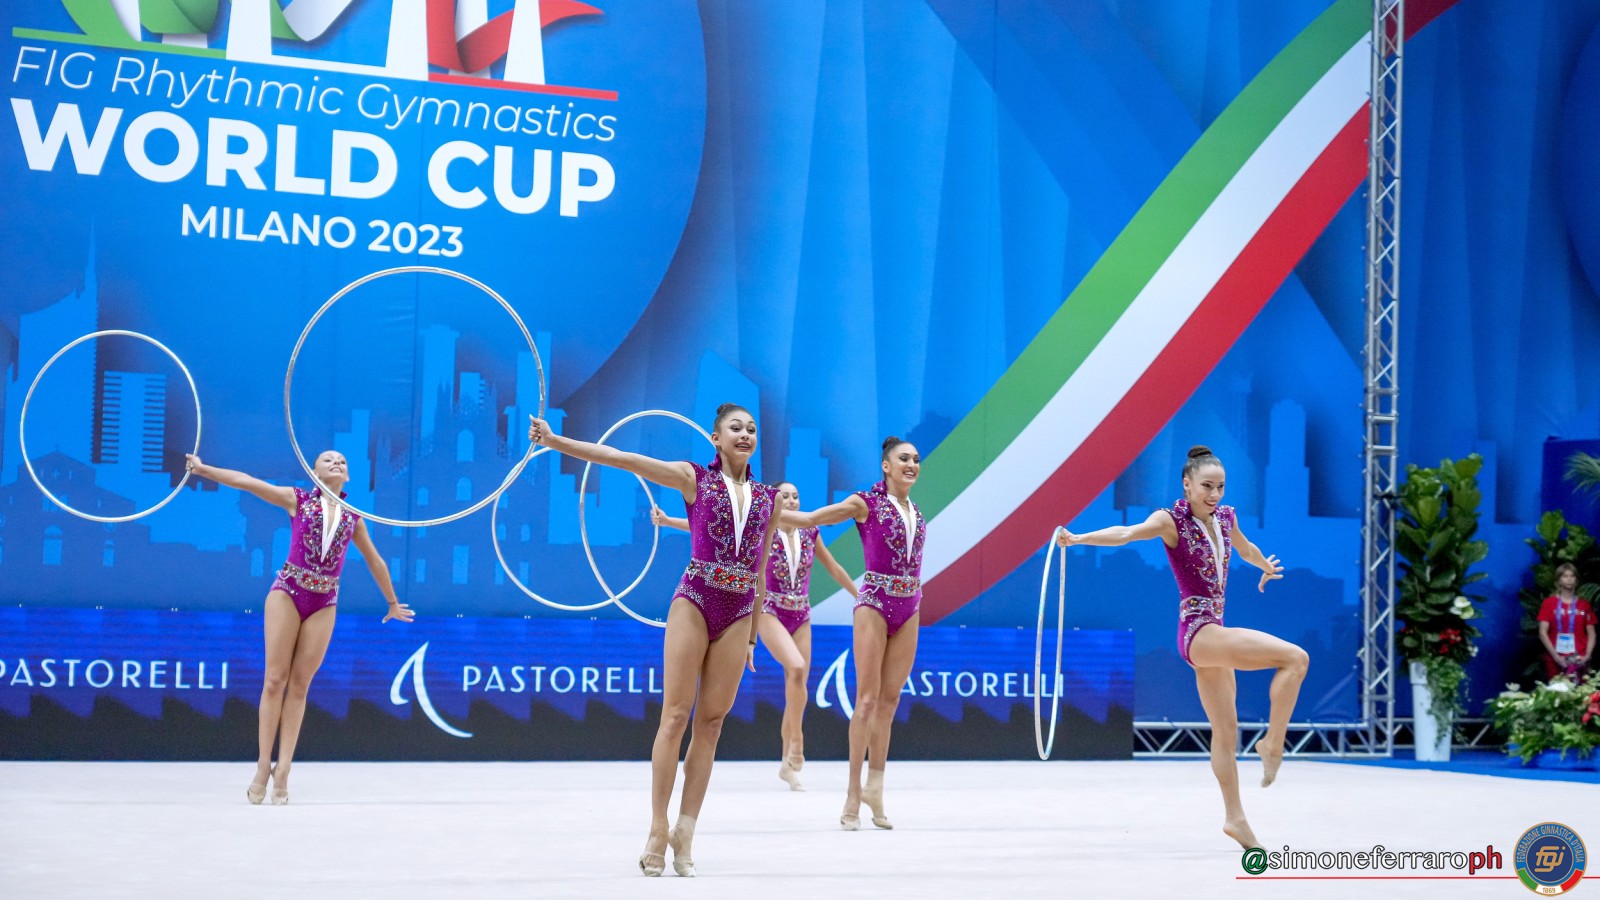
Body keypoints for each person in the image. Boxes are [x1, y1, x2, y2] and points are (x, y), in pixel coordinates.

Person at [527, 404, 778, 878]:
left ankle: (686, 830)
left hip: (740, 611)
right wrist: (557, 441)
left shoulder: (769, 498)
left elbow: (761, 569)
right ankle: (658, 827)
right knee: (676, 716)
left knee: (712, 724)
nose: (745, 434)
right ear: (715, 438)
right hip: (696, 600)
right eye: (735, 428)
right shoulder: (693, 478)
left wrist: (750, 639)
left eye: (751, 429)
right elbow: (623, 459)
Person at [1055, 445, 1303, 850]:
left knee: (1226, 731)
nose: (1214, 494)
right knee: (1295, 658)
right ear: (1187, 484)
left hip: (1214, 632)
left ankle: (1235, 818)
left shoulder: (1226, 517)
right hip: (1198, 631)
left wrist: (1264, 567)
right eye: (1206, 486)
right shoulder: (1170, 520)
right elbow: (1126, 533)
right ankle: (1273, 744)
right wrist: (1079, 538)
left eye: (1220, 487)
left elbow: (1244, 548)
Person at [184, 450, 412, 805]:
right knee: (275, 680)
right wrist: (203, 470)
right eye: (328, 459)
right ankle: (263, 764)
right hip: (288, 592)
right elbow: (247, 482)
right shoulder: (298, 499)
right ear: (313, 471)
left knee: (300, 685)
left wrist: (392, 602)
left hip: (324, 601)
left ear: (349, 476)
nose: (336, 462)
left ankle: (284, 768)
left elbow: (375, 560)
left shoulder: (354, 518)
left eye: (342, 461)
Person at [654, 481, 858, 791]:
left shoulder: (810, 533)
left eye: (796, 496)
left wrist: (859, 594)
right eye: (785, 496)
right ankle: (797, 741)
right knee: (796, 667)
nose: (791, 500)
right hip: (769, 610)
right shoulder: (764, 526)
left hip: (801, 613)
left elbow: (834, 568)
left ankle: (787, 762)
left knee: (798, 681)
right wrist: (669, 521)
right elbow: (700, 527)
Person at [782, 437, 924, 831]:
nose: (911, 464)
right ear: (886, 466)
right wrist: (781, 516)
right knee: (866, 701)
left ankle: (875, 787)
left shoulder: (916, 511)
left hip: (910, 606)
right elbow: (818, 517)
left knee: (890, 701)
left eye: (916, 459)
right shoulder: (866, 503)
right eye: (903, 459)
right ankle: (852, 792)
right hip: (874, 603)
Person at [1537, 562, 1596, 680]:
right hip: (1555, 657)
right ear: (1559, 580)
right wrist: (1556, 657)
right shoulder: (1549, 603)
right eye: (1565, 576)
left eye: (1572, 576)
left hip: (1579, 658)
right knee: (1557, 690)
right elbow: (1542, 633)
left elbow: (1592, 633)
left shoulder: (1584, 605)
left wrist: (1587, 655)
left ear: (1576, 580)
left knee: (1581, 690)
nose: (1569, 579)